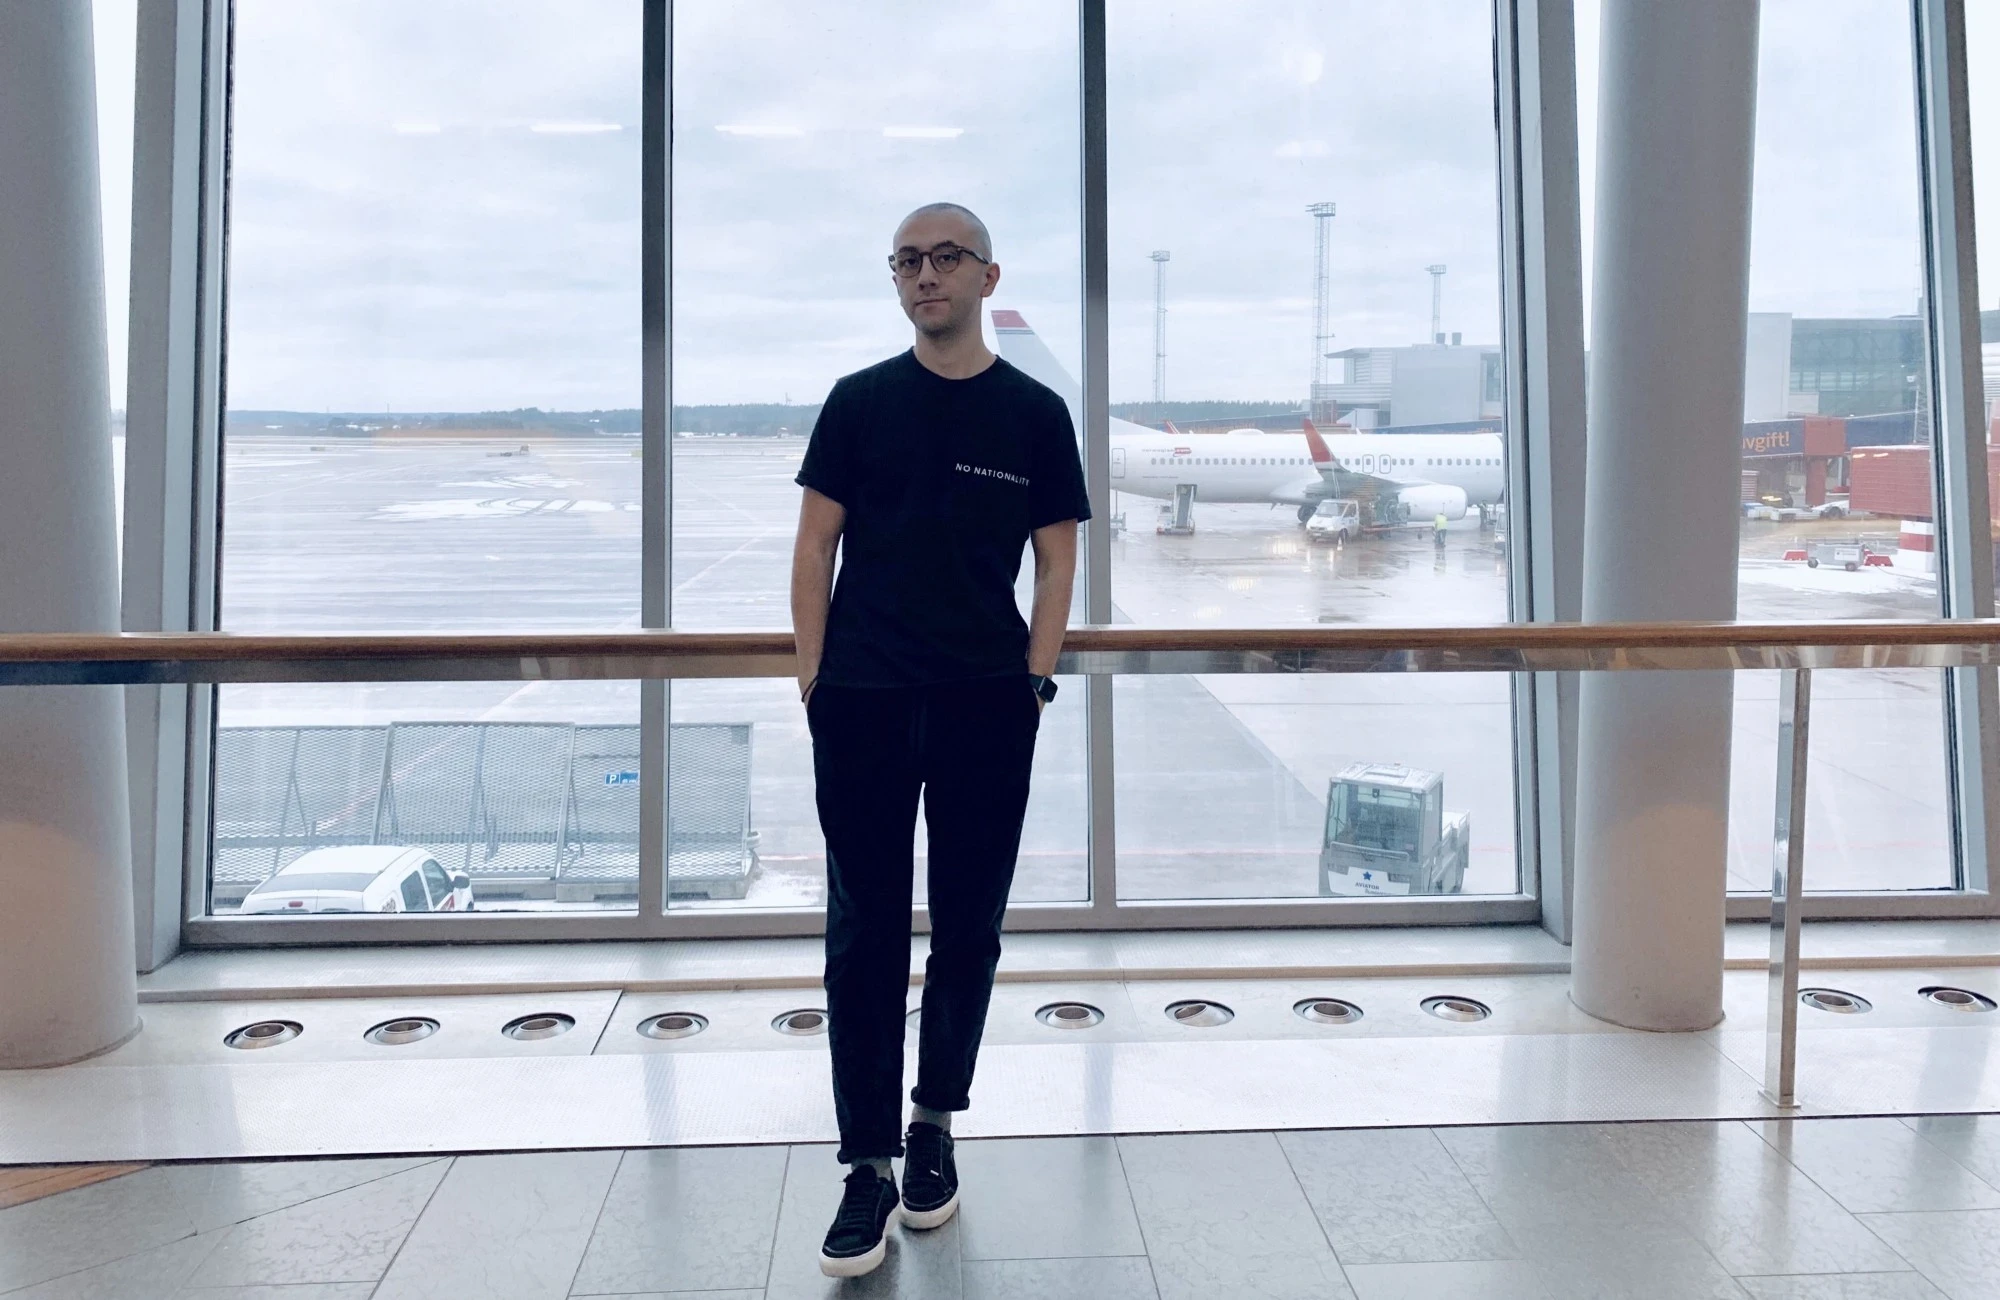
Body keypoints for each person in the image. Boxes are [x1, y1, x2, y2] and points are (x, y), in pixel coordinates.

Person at [789, 201, 1089, 1279]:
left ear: (986, 276)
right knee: (862, 935)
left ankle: (932, 1127)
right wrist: (815, 681)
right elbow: (813, 547)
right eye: (907, 261)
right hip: (863, 702)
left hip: (983, 705)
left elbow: (1056, 559)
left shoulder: (1033, 414)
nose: (925, 275)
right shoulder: (858, 402)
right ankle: (866, 1161)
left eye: (945, 257)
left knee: (968, 927)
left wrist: (1034, 679)